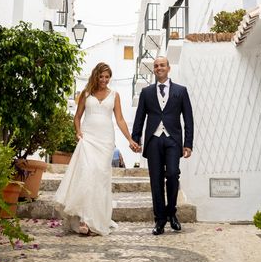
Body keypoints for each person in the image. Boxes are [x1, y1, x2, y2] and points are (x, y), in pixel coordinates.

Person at [54, 62, 140, 235]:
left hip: (106, 141)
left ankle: (97, 218)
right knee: (87, 174)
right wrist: (78, 132)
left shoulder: (114, 95)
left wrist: (130, 139)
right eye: (101, 76)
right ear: (96, 76)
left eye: (107, 77)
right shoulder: (86, 94)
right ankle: (85, 220)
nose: (104, 80)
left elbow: (120, 119)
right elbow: (77, 117)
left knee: (100, 178)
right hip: (88, 138)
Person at [132, 56, 193, 235]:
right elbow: (140, 117)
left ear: (168, 68)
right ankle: (160, 220)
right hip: (153, 140)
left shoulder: (181, 91)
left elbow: (188, 119)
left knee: (173, 174)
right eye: (156, 66)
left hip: (173, 139)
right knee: (155, 180)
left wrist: (188, 143)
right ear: (154, 69)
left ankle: (171, 213)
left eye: (162, 65)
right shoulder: (146, 92)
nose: (159, 68)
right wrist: (136, 139)